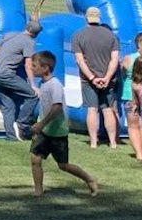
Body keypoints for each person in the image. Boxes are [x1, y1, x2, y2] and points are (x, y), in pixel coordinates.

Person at [27, 49, 99, 196]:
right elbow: (44, 107)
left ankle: (89, 179)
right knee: (35, 159)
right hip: (44, 131)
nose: (32, 68)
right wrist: (38, 125)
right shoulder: (42, 83)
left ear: (45, 68)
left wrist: (42, 123)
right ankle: (38, 191)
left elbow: (57, 107)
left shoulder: (55, 85)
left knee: (63, 165)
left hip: (57, 131)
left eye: (34, 66)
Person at [69, 6, 123, 149]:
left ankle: (93, 142)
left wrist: (92, 77)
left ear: (86, 18)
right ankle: (112, 142)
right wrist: (107, 77)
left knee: (92, 110)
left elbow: (80, 61)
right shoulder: (111, 36)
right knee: (108, 110)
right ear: (99, 18)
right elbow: (115, 59)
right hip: (108, 80)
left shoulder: (78, 35)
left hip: (88, 80)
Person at [0, 17, 43, 140]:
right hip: (7, 75)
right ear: (36, 34)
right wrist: (33, 85)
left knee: (9, 106)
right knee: (32, 96)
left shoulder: (9, 35)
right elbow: (28, 65)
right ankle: (22, 125)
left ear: (27, 27)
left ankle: (11, 136)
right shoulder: (29, 42)